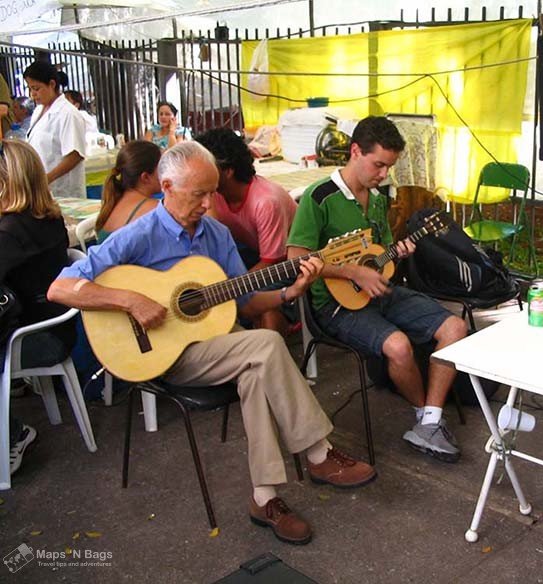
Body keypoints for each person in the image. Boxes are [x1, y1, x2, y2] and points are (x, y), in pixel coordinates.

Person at [48, 142, 375, 545]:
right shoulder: (139, 235)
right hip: (166, 353)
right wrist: (129, 299)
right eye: (198, 193)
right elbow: (60, 288)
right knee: (266, 347)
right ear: (166, 185)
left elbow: (248, 301)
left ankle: (265, 497)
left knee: (258, 366)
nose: (208, 203)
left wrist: (292, 292)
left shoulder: (216, 235)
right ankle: (319, 454)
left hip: (221, 344)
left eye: (212, 192)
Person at [287, 116, 468, 463]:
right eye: (379, 164)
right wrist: (351, 271)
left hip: (378, 291)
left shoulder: (378, 199)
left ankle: (428, 421)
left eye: (389, 166)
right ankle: (425, 415)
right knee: (398, 346)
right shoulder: (319, 197)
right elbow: (297, 260)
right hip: (336, 307)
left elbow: (380, 259)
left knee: (455, 327)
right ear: (355, 151)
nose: (384, 174)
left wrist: (395, 255)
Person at [0, 140, 77, 476]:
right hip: (55, 329)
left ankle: (14, 433)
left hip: (36, 338)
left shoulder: (11, 232)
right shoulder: (47, 218)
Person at [195, 128, 298, 333]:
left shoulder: (266, 201)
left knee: (250, 299)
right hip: (251, 254)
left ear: (227, 171)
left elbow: (272, 261)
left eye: (206, 166)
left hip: (287, 264)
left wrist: (230, 288)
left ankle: (279, 331)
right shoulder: (214, 194)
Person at [23, 62, 87, 198]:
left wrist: (47, 179)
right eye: (30, 89)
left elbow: (75, 155)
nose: (32, 94)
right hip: (41, 189)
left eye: (36, 89)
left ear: (52, 84)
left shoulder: (68, 113)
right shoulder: (38, 111)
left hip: (62, 190)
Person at [95, 140, 161, 243]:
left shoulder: (115, 201)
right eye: (162, 168)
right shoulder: (154, 210)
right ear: (146, 177)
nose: (167, 172)